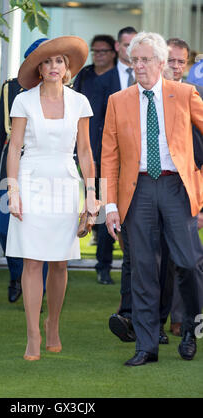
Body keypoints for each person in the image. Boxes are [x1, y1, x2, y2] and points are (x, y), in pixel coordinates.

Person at [101, 31, 203, 366]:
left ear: (162, 63)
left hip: (176, 187)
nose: (139, 65)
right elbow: (109, 157)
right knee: (143, 270)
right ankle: (146, 346)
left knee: (189, 263)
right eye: (135, 59)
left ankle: (192, 328)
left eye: (146, 59)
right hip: (138, 190)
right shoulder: (118, 101)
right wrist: (110, 205)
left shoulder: (185, 94)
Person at [6, 36, 97, 361]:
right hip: (30, 182)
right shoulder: (23, 101)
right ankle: (32, 333)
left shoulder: (80, 102)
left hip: (64, 182)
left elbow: (85, 152)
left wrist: (91, 193)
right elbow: (14, 148)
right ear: (39, 68)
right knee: (32, 261)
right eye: (47, 62)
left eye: (59, 61)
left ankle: (53, 324)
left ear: (68, 67)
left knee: (59, 261)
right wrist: (12, 190)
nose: (54, 67)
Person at [0, 39, 48, 304]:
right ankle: (16, 275)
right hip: (11, 168)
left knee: (44, 231)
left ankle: (39, 290)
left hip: (46, 171)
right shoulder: (11, 88)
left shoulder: (65, 90)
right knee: (3, 228)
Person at [92, 27, 137, 285]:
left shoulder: (146, 79)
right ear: (117, 47)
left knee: (131, 212)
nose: (129, 49)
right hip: (106, 157)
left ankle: (130, 264)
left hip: (136, 160)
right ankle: (103, 265)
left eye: (134, 44)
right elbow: (94, 123)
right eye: (125, 44)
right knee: (104, 210)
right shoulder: (101, 81)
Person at [166, 38, 203, 337]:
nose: (176, 66)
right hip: (146, 191)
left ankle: (185, 321)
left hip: (186, 191)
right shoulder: (138, 97)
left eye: (181, 61)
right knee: (152, 262)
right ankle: (152, 322)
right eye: (171, 60)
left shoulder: (194, 95)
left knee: (187, 261)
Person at [74, 35, 116, 246]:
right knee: (91, 187)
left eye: (103, 51)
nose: (98, 55)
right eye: (95, 51)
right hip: (87, 142)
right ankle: (94, 229)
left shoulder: (118, 75)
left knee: (106, 191)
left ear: (113, 53)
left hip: (110, 144)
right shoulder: (85, 74)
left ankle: (104, 237)